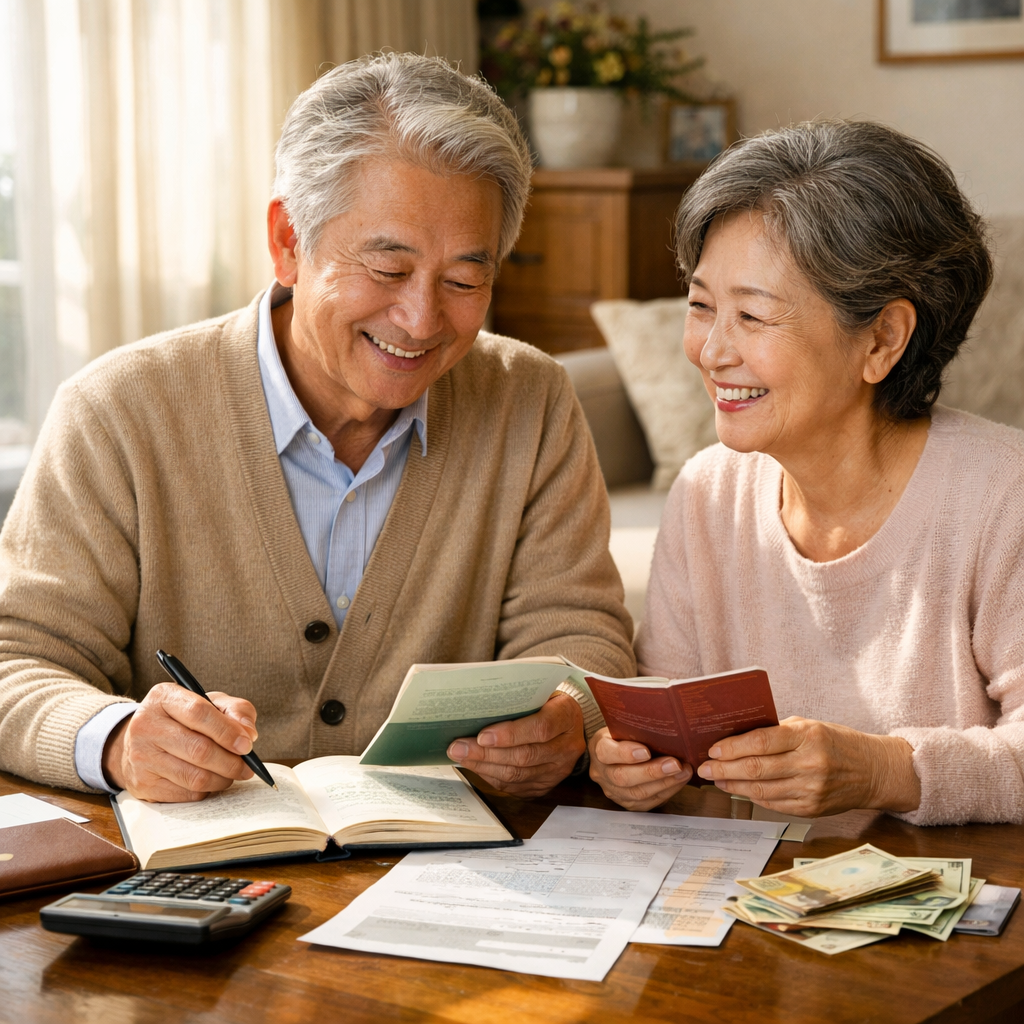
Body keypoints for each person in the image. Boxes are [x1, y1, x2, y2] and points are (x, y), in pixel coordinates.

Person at [0, 54, 635, 803]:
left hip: (453, 872)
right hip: (200, 880)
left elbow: (581, 633)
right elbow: (18, 657)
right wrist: (113, 740)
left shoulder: (532, 400)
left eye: (465, 280)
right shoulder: (118, 410)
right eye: (388, 269)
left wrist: (567, 715)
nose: (422, 320)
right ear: (288, 241)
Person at [588, 119, 1024, 826]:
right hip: (747, 910)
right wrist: (626, 763)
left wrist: (887, 770)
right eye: (701, 307)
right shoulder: (707, 493)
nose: (710, 350)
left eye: (753, 316)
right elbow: (656, 707)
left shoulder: (1004, 495)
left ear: (881, 339)